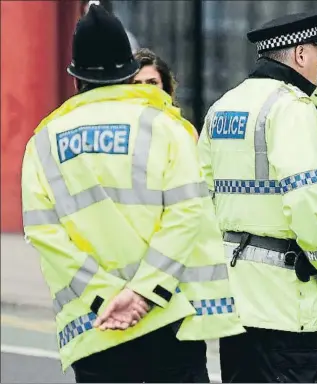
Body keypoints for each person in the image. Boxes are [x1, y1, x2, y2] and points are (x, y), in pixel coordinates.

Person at [20, 5, 243, 382]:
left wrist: (104, 297)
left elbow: (43, 233)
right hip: (169, 315)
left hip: (96, 323)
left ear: (76, 78)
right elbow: (186, 215)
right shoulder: (166, 128)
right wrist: (142, 294)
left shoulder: (43, 143)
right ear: (128, 73)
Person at [197, 11, 317, 383]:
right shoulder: (293, 110)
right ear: (299, 54)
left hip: (236, 300)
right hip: (286, 301)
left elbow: (201, 199)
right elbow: (305, 203)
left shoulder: (221, 109)